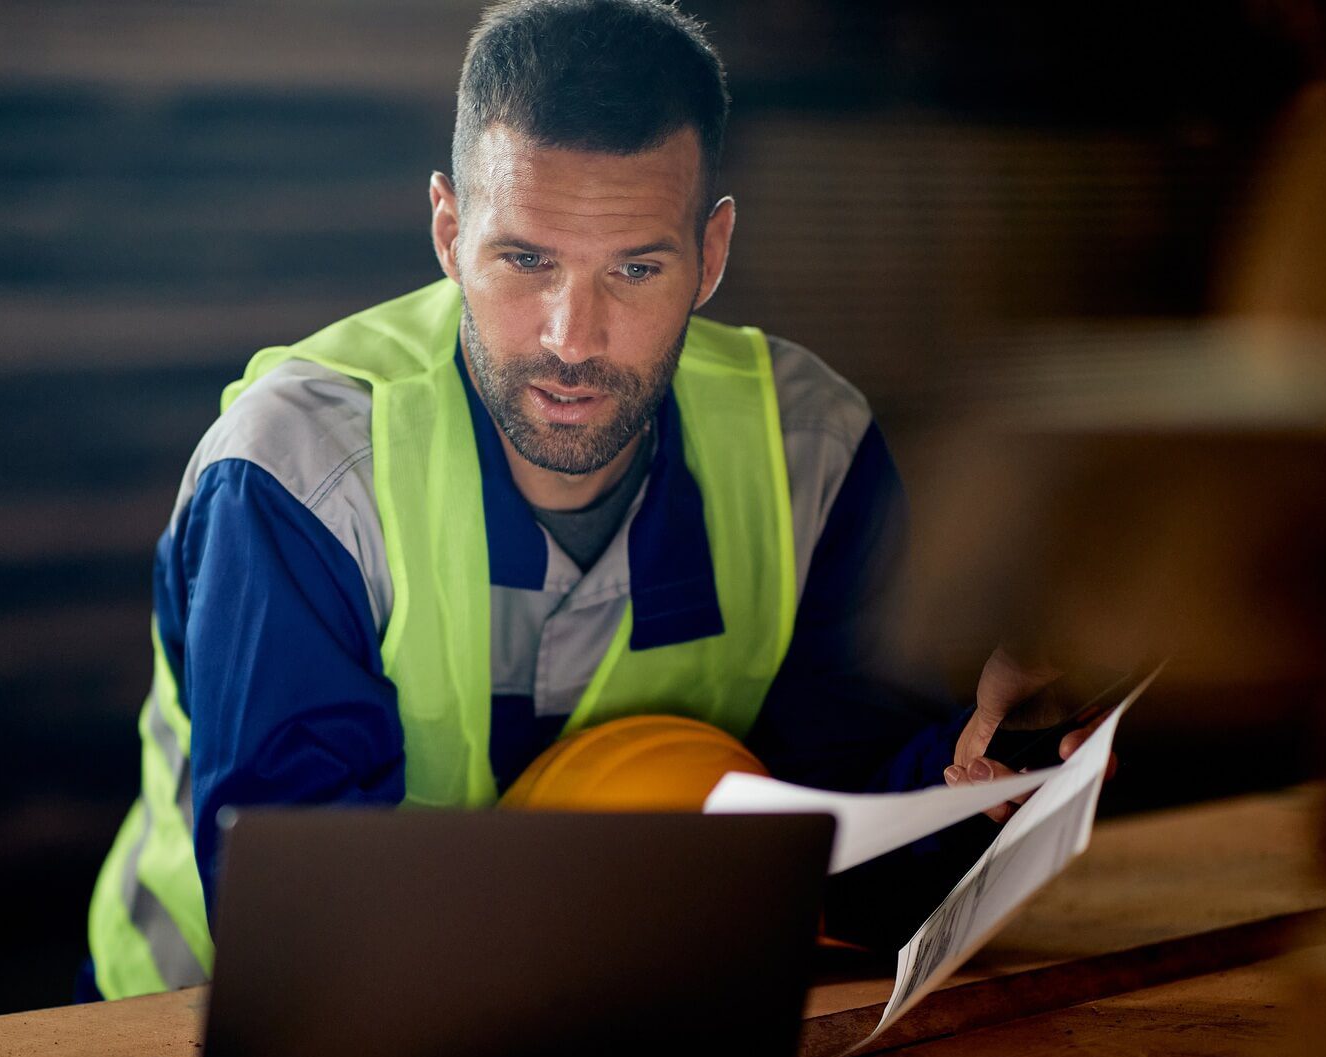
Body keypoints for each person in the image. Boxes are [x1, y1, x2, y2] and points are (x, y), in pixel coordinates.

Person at [86, 0, 1088, 1000]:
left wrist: (989, 774)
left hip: (639, 1013)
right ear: (447, 230)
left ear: (713, 253)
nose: (572, 336)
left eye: (635, 268)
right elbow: (299, 913)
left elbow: (847, 838)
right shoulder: (299, 471)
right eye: (526, 260)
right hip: (186, 1037)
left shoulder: (811, 452)